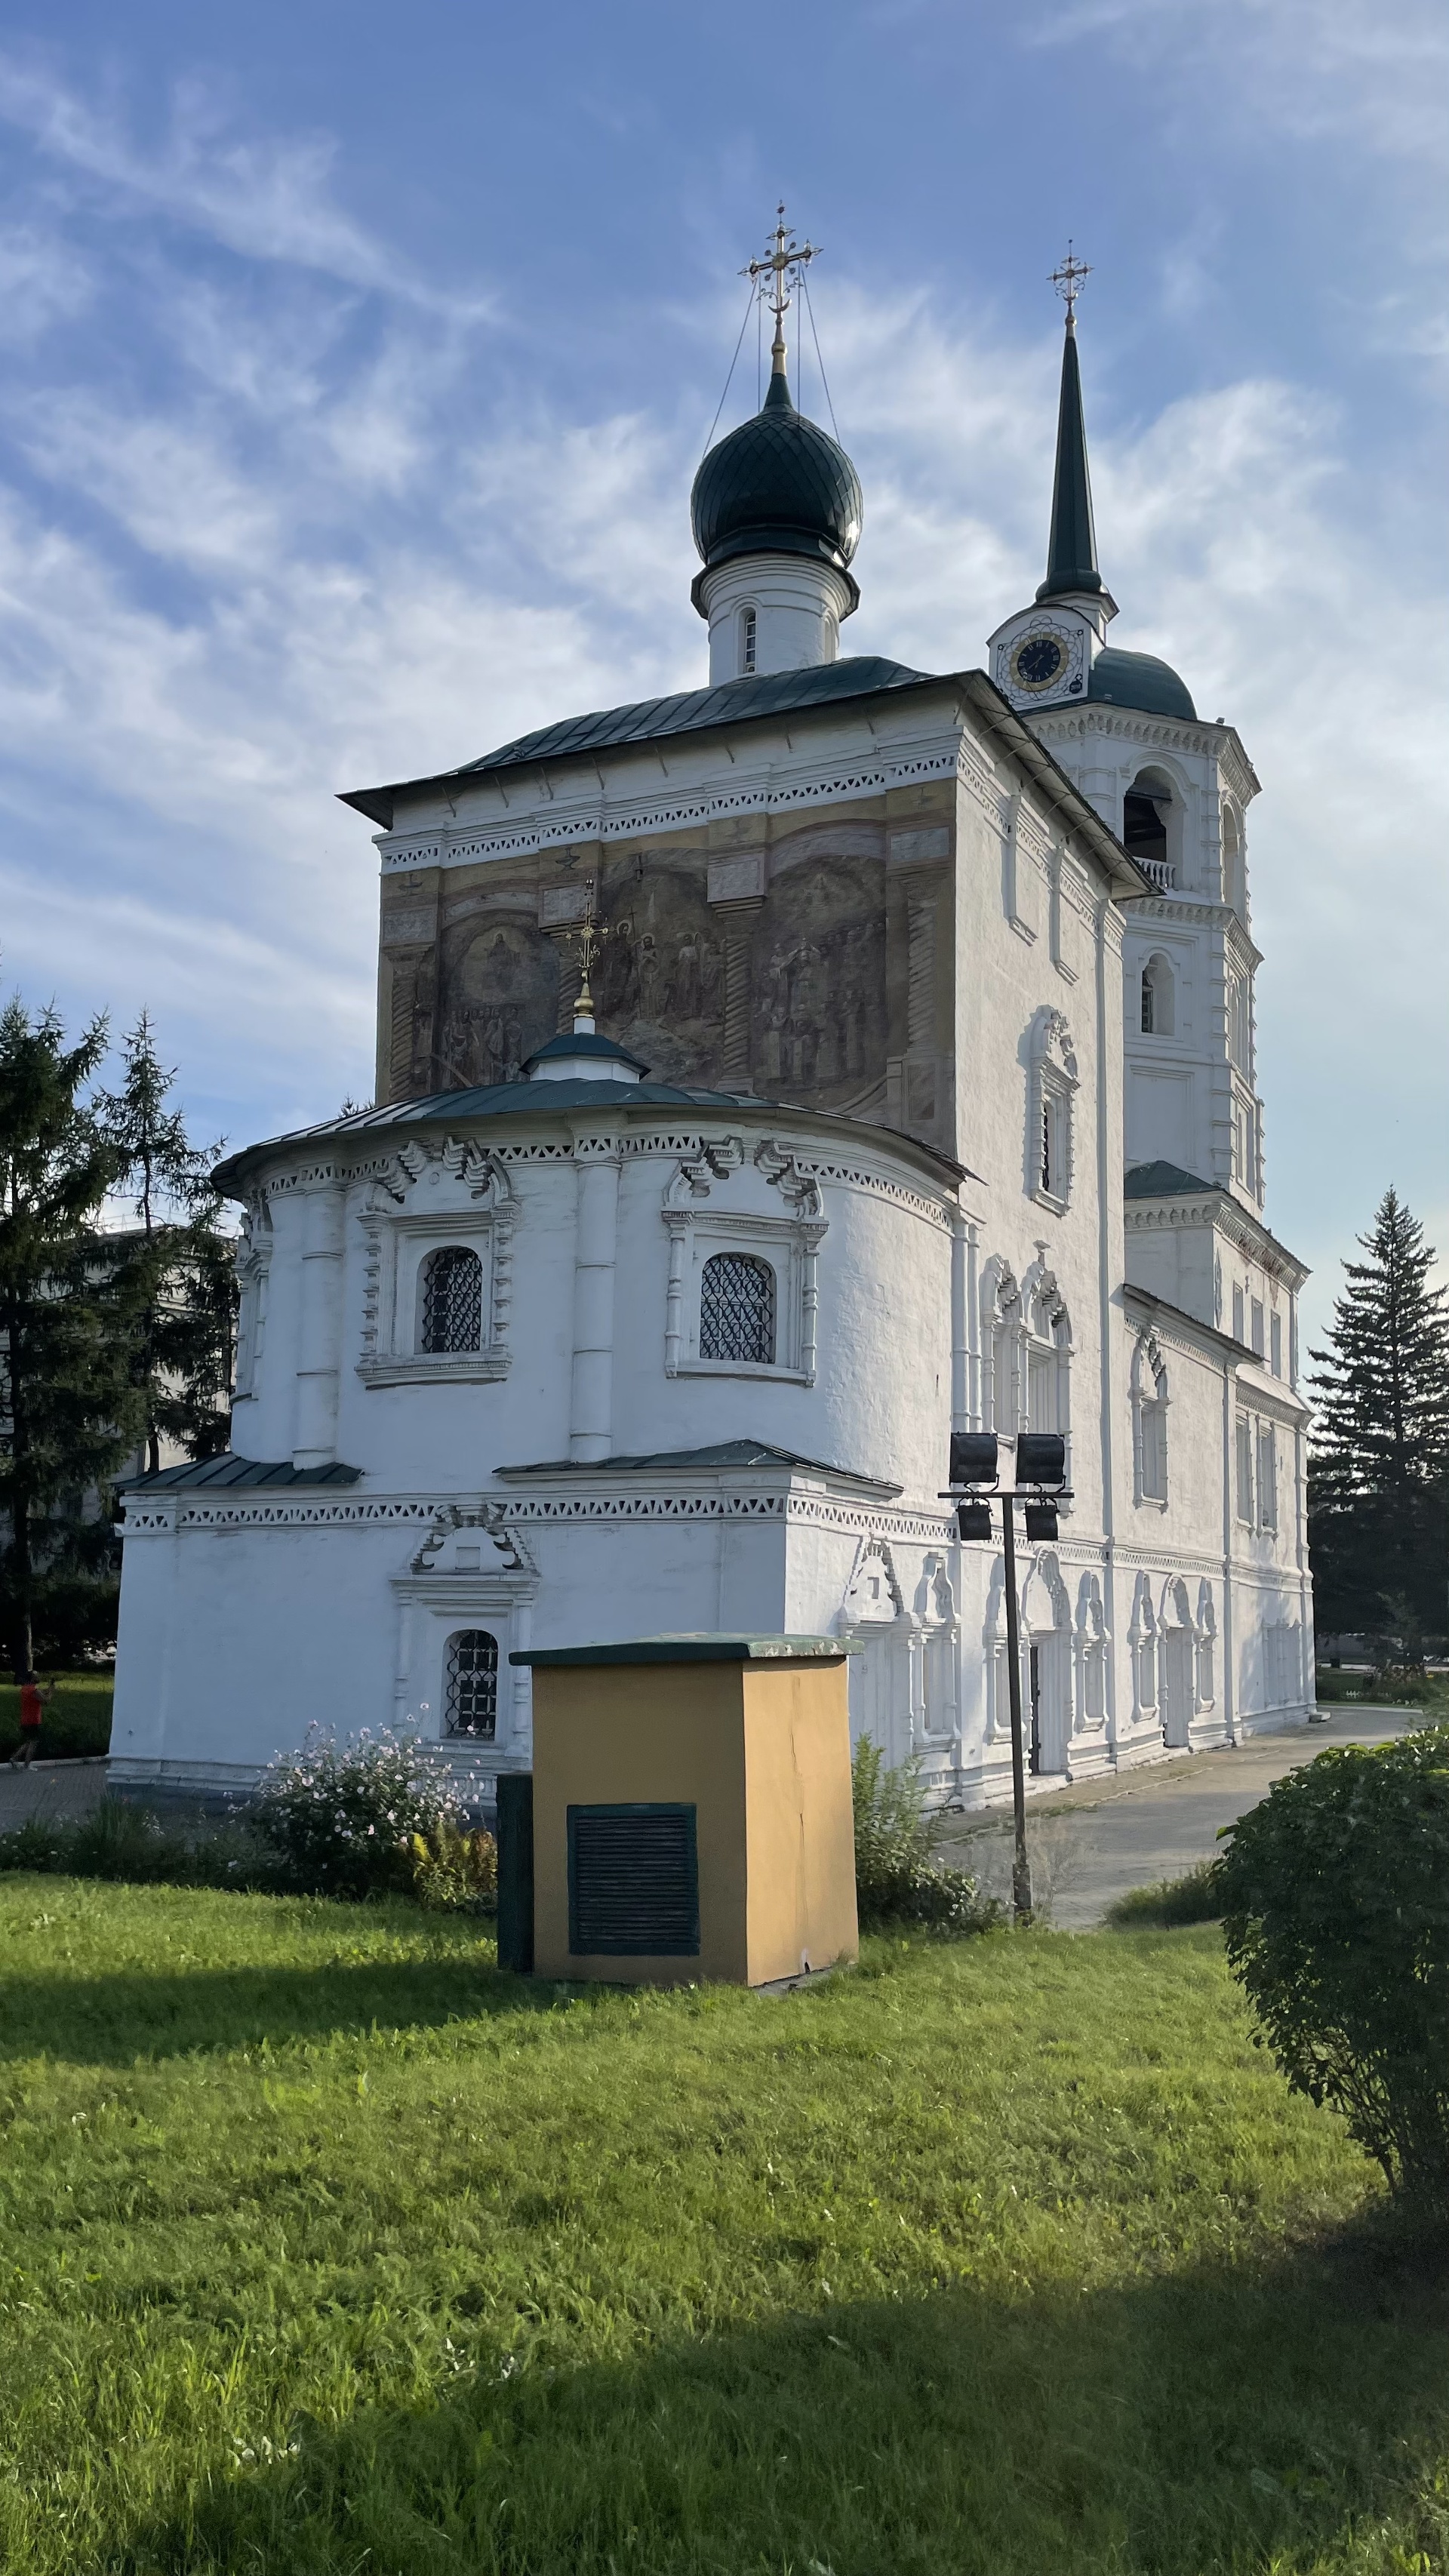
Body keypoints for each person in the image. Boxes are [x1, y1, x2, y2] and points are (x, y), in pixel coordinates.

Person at [9, 1673, 54, 1767]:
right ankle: (27, 1764)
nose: (39, 1676)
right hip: (33, 1720)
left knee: (29, 1741)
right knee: (33, 1742)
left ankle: (14, 1758)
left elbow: (42, 1692)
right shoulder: (34, 1691)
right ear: (32, 1678)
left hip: (25, 1719)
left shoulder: (25, 1689)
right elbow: (46, 1701)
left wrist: (50, 1687)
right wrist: (51, 1692)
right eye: (36, 1675)